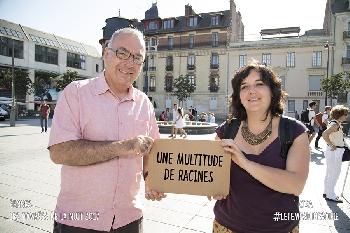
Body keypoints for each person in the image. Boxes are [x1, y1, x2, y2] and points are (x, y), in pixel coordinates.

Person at [48, 28, 164, 233]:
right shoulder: (76, 93)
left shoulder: (144, 103)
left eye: (138, 58)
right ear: (105, 54)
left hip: (129, 220)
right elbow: (59, 152)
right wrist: (125, 146)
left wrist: (154, 180)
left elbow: (153, 152)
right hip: (79, 221)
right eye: (122, 53)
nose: (130, 63)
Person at [211, 64, 309, 233]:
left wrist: (245, 162)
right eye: (244, 86)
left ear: (273, 90)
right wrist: (213, 187)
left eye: (259, 84)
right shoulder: (226, 130)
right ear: (238, 95)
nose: (252, 91)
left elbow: (296, 185)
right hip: (226, 226)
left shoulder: (294, 131)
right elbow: (212, 175)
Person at [322, 105, 349, 203]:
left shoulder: (334, 123)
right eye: (345, 114)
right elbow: (324, 134)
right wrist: (332, 145)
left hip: (333, 151)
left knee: (330, 173)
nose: (346, 116)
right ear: (339, 115)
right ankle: (331, 195)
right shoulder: (335, 124)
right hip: (335, 151)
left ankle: (327, 192)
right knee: (335, 174)